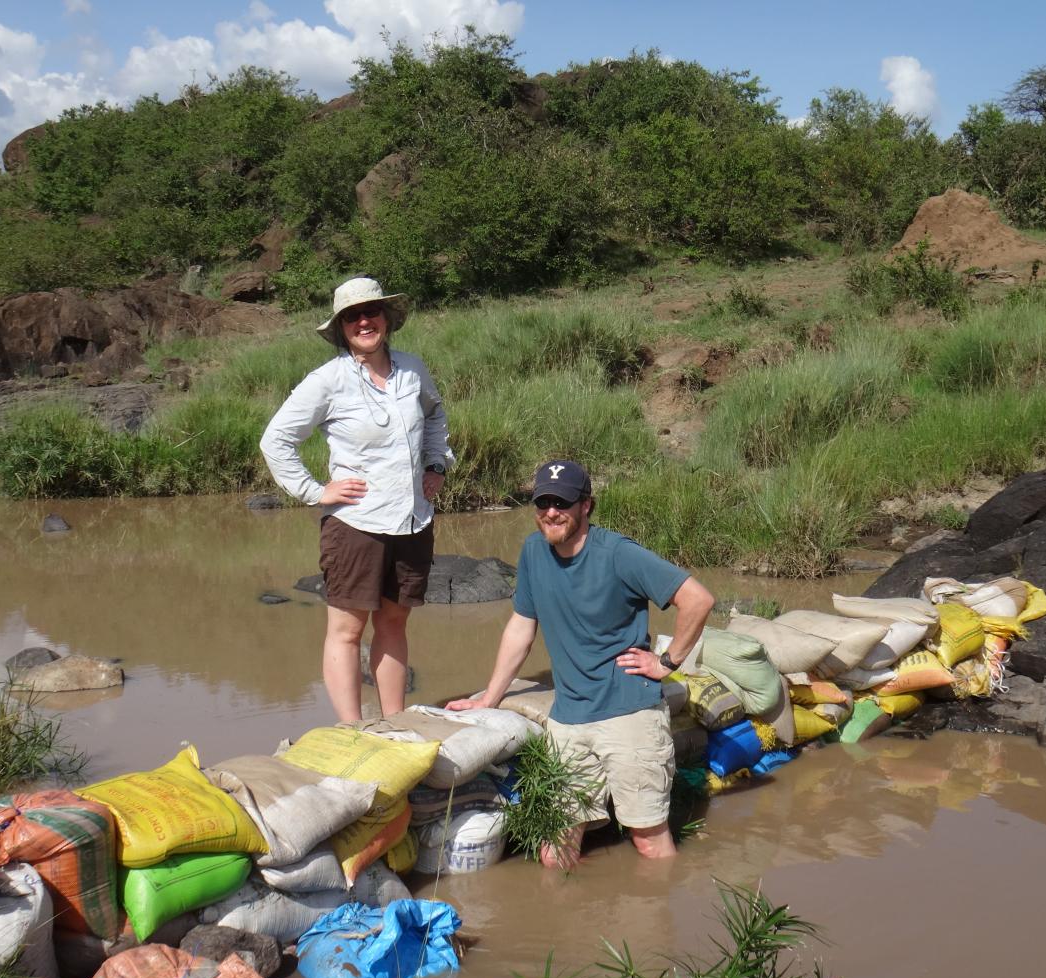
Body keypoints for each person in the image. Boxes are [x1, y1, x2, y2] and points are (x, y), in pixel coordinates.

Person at [448, 460, 714, 867]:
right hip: (568, 720)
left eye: (562, 502)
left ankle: (660, 922)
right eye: (543, 502)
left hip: (629, 715)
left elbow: (698, 598)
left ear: (586, 505)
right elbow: (521, 627)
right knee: (555, 851)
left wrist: (666, 663)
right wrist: (490, 697)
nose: (551, 512)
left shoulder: (618, 554)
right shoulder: (534, 551)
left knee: (648, 842)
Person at [260, 276, 451, 726]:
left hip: (412, 521)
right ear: (342, 328)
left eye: (371, 312)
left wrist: (436, 466)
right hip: (356, 525)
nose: (364, 321)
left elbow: (435, 416)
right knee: (347, 633)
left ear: (386, 318)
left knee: (393, 624)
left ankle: (396, 724)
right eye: (352, 316)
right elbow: (276, 440)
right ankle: (352, 731)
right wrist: (314, 491)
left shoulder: (412, 369)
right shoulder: (328, 381)